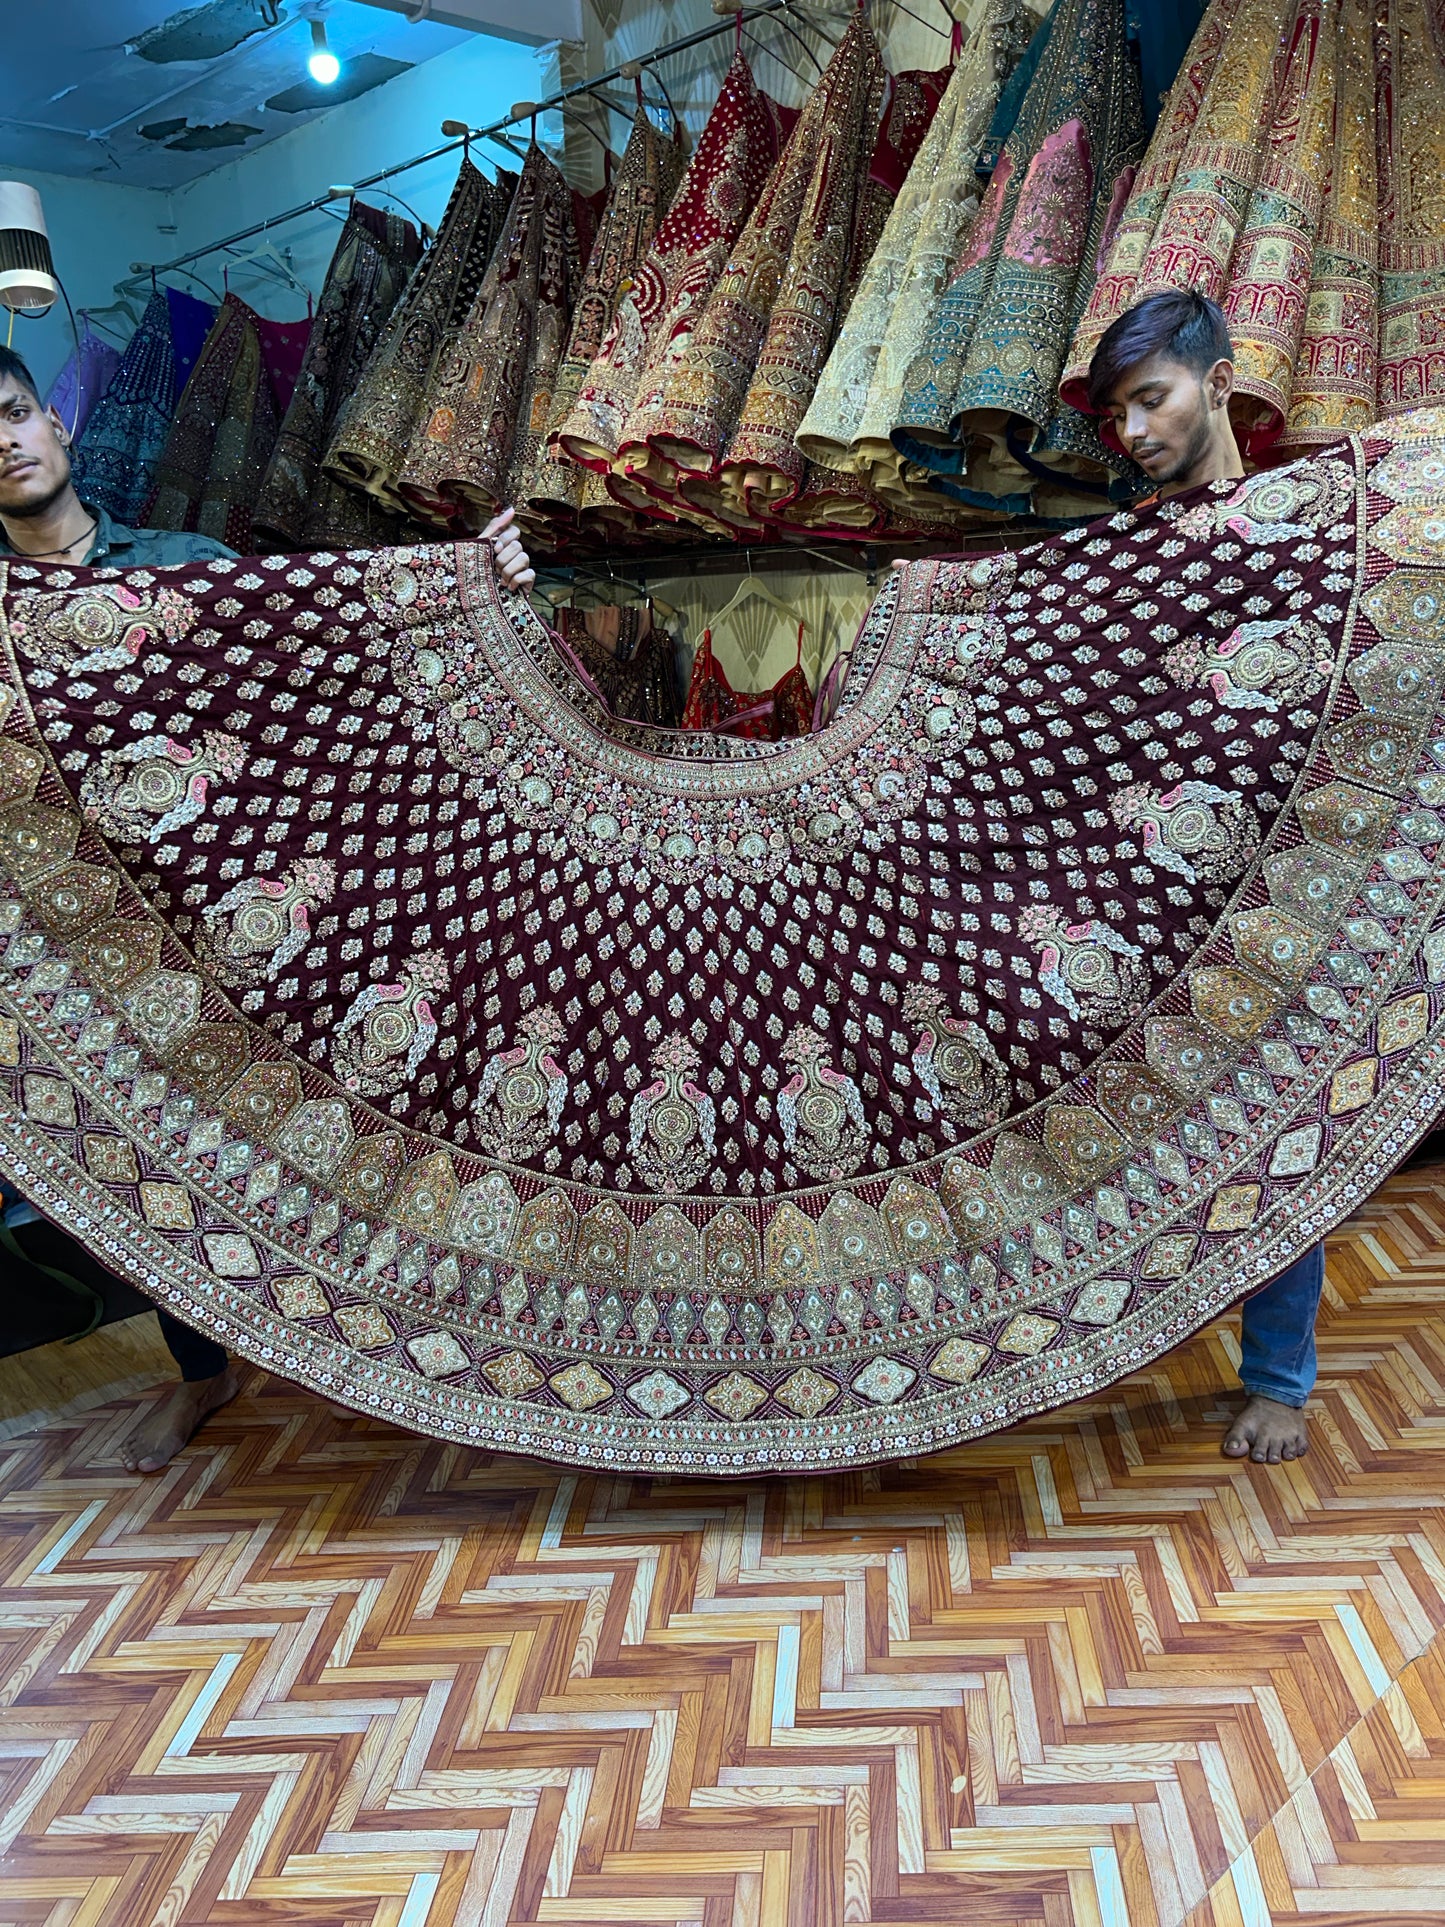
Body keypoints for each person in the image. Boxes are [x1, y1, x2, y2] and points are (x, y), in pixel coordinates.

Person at [0, 341, 537, 1470]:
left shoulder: (183, 566)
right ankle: (201, 1371)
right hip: (67, 934)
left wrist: (464, 585)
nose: (2, 443)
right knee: (102, 1161)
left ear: (58, 424)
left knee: (256, 1132)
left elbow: (322, 638)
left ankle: (356, 1342)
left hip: (219, 921)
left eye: (11, 414)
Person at [1089, 290, 1323, 1466]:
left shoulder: (1308, 523)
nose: (1131, 431)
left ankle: (1279, 1376)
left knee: (1276, 1112)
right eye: (1117, 414)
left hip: (1285, 865)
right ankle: (1125, 1325)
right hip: (1149, 882)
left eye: (1150, 399)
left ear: (1217, 381)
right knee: (1153, 1112)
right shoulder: (1121, 557)